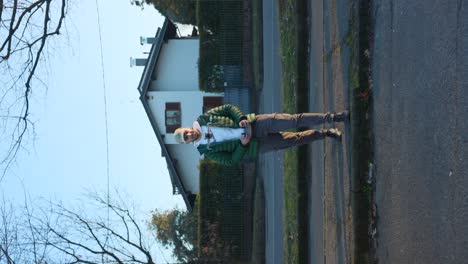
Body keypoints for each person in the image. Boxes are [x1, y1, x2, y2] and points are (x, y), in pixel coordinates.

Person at [174, 104, 348, 166]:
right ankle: (326, 133)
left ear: (187, 127)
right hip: (254, 145)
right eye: (187, 137)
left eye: (186, 132)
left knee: (294, 121)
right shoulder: (207, 151)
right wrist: (243, 145)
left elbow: (228, 109)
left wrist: (241, 118)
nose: (189, 134)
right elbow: (230, 160)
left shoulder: (204, 118)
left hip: (255, 123)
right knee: (295, 140)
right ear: (188, 142)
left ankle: (332, 117)